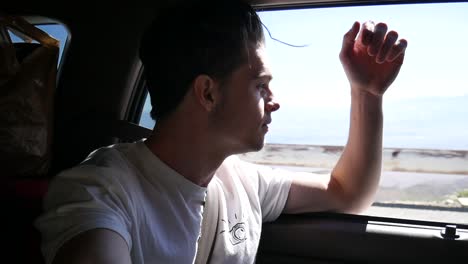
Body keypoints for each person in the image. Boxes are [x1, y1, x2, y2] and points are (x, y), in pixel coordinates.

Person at [35, 1, 408, 264]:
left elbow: (348, 193)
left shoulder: (241, 182)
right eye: (261, 86)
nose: (274, 101)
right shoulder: (99, 191)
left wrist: (367, 94)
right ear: (208, 93)